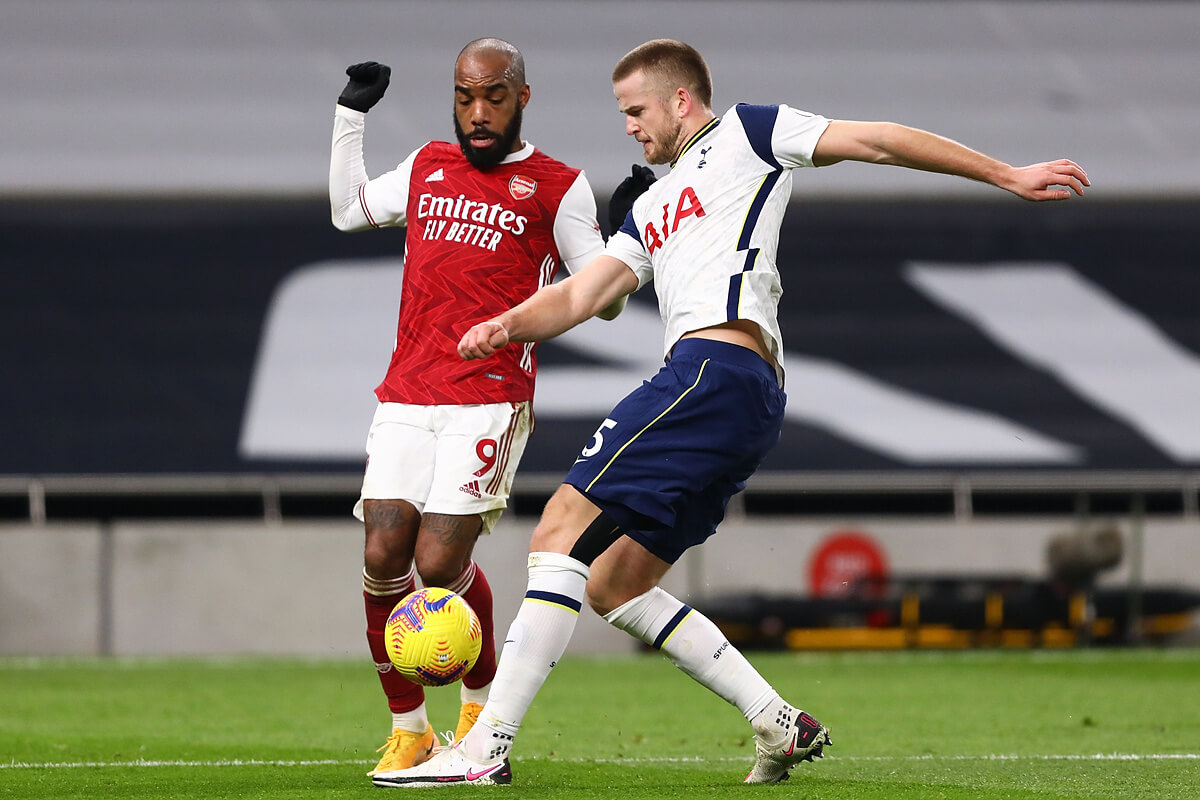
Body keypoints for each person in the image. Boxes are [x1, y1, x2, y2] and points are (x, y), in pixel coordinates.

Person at [371, 39, 1089, 788]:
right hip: (743, 400)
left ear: (682, 100)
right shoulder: (651, 204)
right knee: (616, 583)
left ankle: (484, 749)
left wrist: (1007, 173)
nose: (628, 128)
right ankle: (777, 723)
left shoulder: (750, 133)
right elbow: (585, 296)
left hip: (712, 370)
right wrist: (506, 324)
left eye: (636, 111)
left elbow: (877, 139)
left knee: (559, 529)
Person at [329, 38, 627, 781]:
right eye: (465, 96)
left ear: (523, 96)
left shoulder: (559, 186)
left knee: (437, 561)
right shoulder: (429, 165)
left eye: (493, 95)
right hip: (407, 388)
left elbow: (607, 304)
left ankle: (478, 713)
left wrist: (625, 244)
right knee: (380, 554)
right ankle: (408, 732)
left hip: (489, 398)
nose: (478, 112)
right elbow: (347, 212)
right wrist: (349, 115)